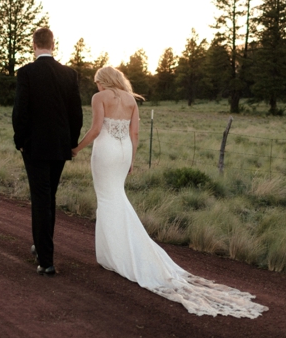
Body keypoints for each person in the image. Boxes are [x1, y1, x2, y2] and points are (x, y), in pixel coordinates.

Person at [72, 66, 267, 317]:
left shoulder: (99, 98)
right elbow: (135, 133)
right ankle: (115, 253)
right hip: (123, 153)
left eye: (97, 82)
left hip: (106, 151)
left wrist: (76, 149)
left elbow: (97, 129)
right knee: (116, 197)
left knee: (108, 199)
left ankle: (117, 256)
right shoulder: (131, 100)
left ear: (104, 82)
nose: (96, 86)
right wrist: (131, 159)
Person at [12, 27, 83, 276]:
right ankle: (42, 247)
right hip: (60, 146)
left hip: (35, 147)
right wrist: (71, 142)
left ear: (34, 45)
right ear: (53, 45)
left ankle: (46, 259)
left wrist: (19, 140)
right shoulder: (69, 74)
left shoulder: (26, 73)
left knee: (41, 199)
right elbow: (77, 114)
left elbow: (20, 110)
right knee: (48, 198)